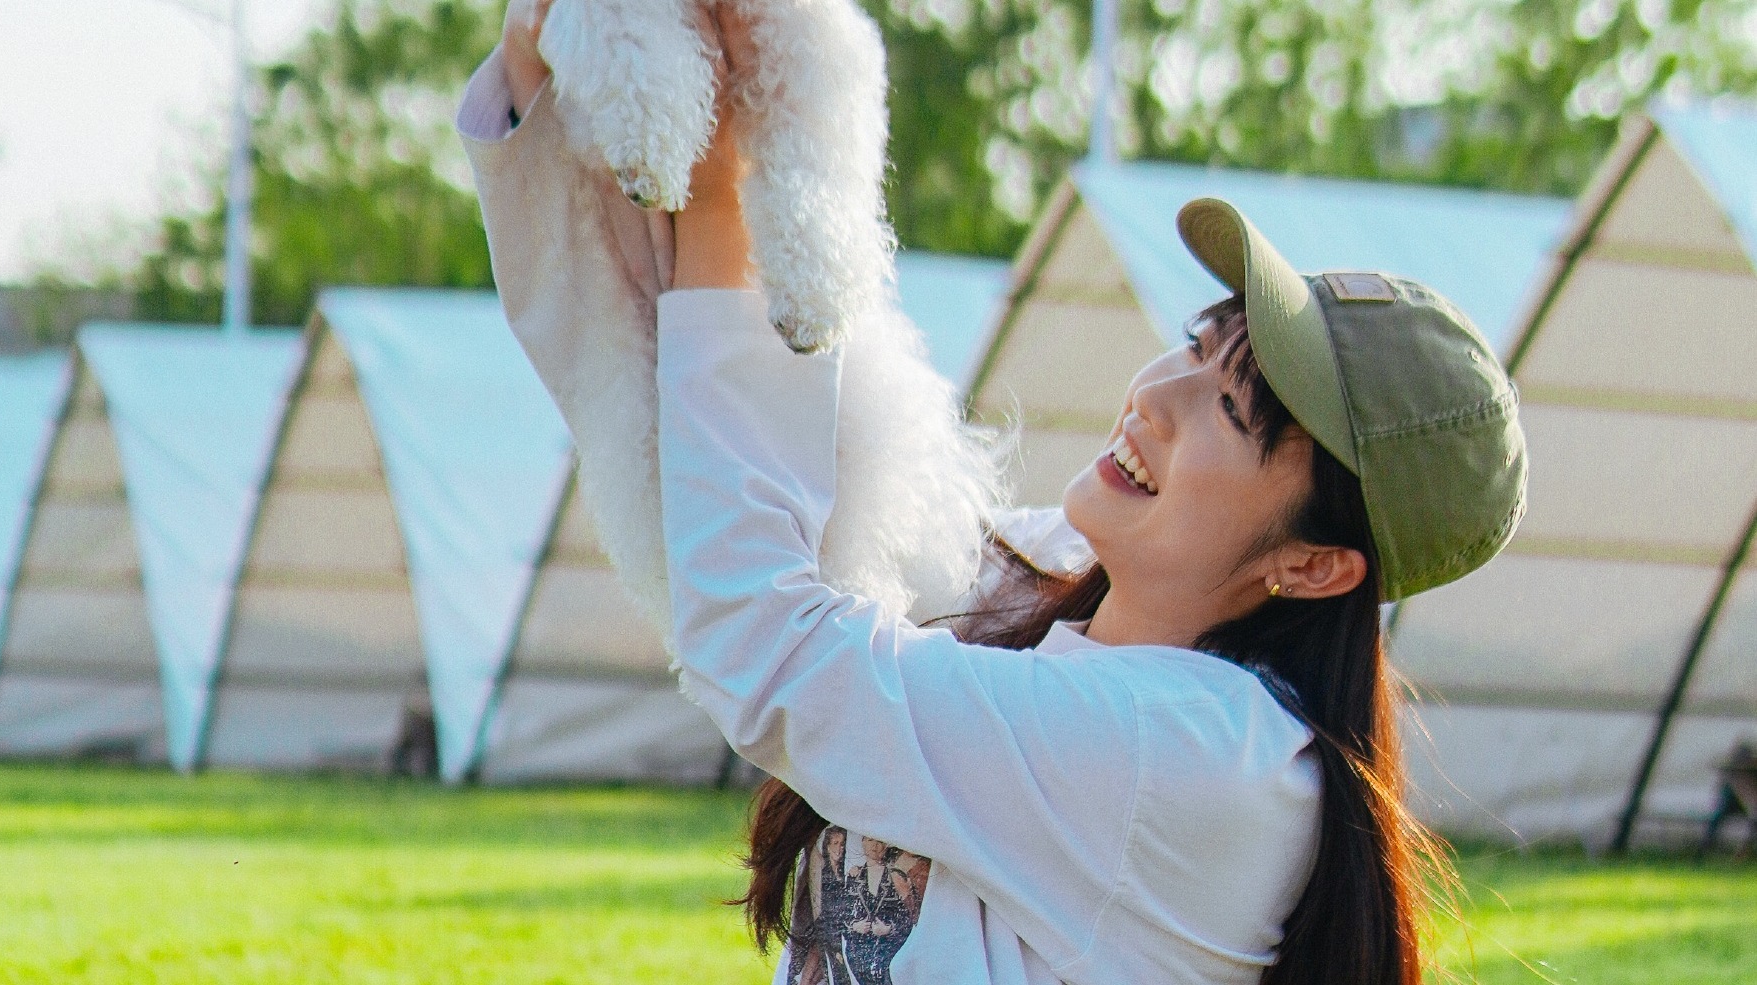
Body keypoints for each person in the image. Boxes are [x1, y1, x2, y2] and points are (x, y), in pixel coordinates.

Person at [460, 4, 1527, 984]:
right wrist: (553, 76)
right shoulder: (1036, 582)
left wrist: (720, 187)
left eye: (1229, 409)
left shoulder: (1197, 756)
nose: (1158, 396)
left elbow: (765, 639)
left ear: (1312, 563)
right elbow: (695, 457)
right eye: (1195, 345)